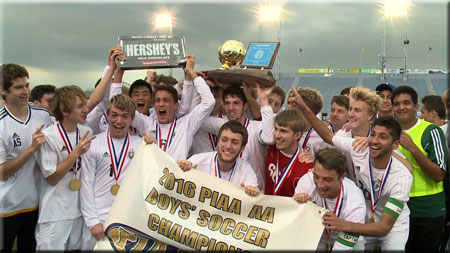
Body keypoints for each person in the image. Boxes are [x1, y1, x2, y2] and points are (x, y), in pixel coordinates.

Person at [290, 87, 413, 250]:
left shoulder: (396, 168)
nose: (351, 114)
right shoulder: (352, 142)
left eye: (357, 110)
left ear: (369, 115)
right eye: (350, 109)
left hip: (391, 221)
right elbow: (328, 137)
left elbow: (407, 170)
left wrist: (373, 143)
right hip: (362, 211)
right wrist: (304, 109)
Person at [34, 46, 122, 250]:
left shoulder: (86, 132)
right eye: (80, 106)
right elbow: (52, 177)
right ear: (65, 110)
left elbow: (96, 100)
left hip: (79, 212)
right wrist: (76, 154)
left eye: (85, 104)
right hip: (55, 213)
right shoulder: (48, 136)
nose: (86, 109)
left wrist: (111, 68)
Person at [80, 94, 155, 250]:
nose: (119, 121)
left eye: (124, 116)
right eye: (114, 115)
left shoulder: (141, 145)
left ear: (132, 119)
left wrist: (153, 148)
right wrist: (92, 221)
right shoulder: (94, 143)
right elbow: (86, 184)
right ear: (107, 116)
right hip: (98, 220)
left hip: (127, 219)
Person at [0, 63, 53, 252]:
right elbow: (2, 172)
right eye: (18, 87)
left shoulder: (43, 115)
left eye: (27, 85)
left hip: (37, 204)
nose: (25, 91)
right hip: (7, 208)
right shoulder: (1, 124)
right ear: (3, 90)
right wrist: (31, 149)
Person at [391, 86, 448, 252]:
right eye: (397, 104)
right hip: (397, 206)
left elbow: (439, 174)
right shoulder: (389, 132)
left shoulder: (431, 131)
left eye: (406, 103)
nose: (401, 107)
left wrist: (413, 148)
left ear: (416, 107)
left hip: (428, 209)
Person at [131, 55, 215, 161]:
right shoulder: (146, 123)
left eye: (166, 100)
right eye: (157, 100)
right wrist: (118, 69)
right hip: (150, 176)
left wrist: (191, 73)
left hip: (174, 177)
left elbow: (209, 102)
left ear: (176, 105)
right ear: (154, 104)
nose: (161, 104)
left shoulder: (186, 125)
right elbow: (122, 108)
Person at [199, 83, 276, 191]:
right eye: (227, 103)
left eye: (236, 103)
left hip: (252, 191)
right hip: (224, 191)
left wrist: (263, 99)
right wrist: (205, 85)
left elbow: (269, 138)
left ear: (245, 106)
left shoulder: (256, 127)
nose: (231, 108)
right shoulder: (222, 125)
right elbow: (195, 118)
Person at [294, 147, 366, 251]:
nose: (320, 185)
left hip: (348, 237)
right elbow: (296, 223)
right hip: (317, 235)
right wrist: (297, 206)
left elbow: (342, 248)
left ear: (342, 177)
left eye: (327, 179)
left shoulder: (355, 201)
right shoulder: (306, 181)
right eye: (316, 176)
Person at [178, 120, 260, 196]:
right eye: (224, 140)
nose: (228, 146)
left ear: (242, 148)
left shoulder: (246, 170)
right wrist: (181, 170)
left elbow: (252, 199)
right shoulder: (196, 161)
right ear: (218, 141)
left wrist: (251, 194)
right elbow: (175, 186)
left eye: (234, 142)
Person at [263, 109, 314, 196]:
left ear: (297, 135)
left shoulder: (306, 166)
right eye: (276, 129)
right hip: (265, 207)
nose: (277, 135)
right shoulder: (271, 146)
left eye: (283, 131)